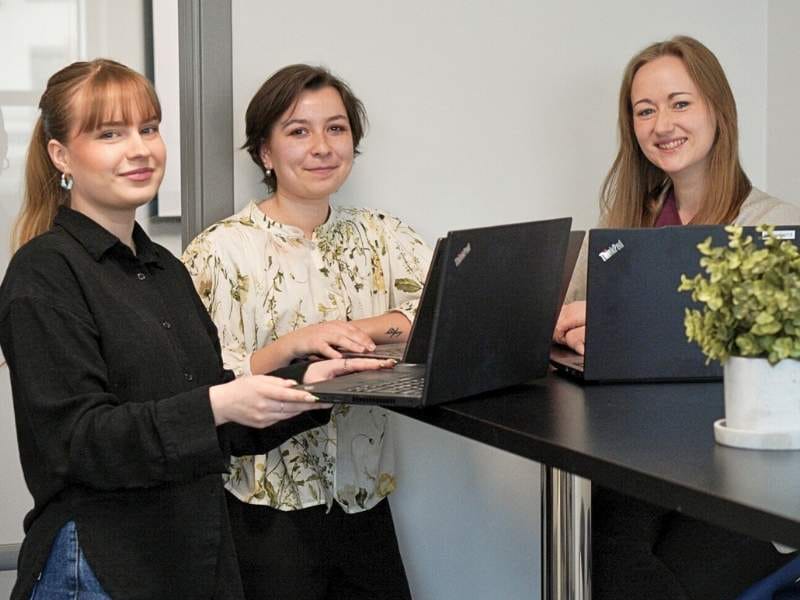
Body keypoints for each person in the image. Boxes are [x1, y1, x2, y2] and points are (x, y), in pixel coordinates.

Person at [0, 58, 393, 600]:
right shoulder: (44, 272)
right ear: (61, 155)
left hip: (186, 559)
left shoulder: (164, 268)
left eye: (149, 128)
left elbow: (215, 425)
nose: (139, 148)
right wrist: (217, 405)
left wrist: (310, 385)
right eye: (110, 134)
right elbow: (75, 443)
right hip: (99, 568)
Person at [553, 37, 800, 599]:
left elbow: (772, 359)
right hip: (638, 470)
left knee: (644, 578)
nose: (662, 123)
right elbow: (567, 328)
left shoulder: (774, 227)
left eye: (680, 103)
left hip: (744, 485)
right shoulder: (623, 230)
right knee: (616, 563)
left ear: (719, 109)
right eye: (645, 110)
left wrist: (622, 328)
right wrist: (581, 327)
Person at [183, 64, 431, 599]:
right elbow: (208, 382)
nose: (321, 146)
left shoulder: (382, 234)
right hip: (265, 508)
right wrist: (293, 345)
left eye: (336, 129)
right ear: (265, 153)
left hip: (364, 499)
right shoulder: (219, 251)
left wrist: (356, 328)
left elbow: (443, 314)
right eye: (299, 131)